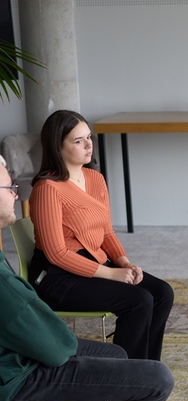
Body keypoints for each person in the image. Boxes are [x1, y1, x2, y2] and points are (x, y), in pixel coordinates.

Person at [0, 154, 173, 401]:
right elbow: (56, 348)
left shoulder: (93, 179)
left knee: (115, 355)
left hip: (12, 361)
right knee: (158, 378)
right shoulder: (48, 189)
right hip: (12, 381)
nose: (17, 195)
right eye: (8, 187)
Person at [28, 110, 174, 361]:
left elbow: (106, 231)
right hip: (57, 278)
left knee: (162, 292)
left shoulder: (95, 178)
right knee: (138, 300)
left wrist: (124, 262)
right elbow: (57, 254)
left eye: (89, 137)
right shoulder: (47, 190)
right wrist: (112, 274)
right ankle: (125, 379)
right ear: (57, 146)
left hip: (95, 263)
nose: (88, 145)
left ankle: (147, 370)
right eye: (78, 141)